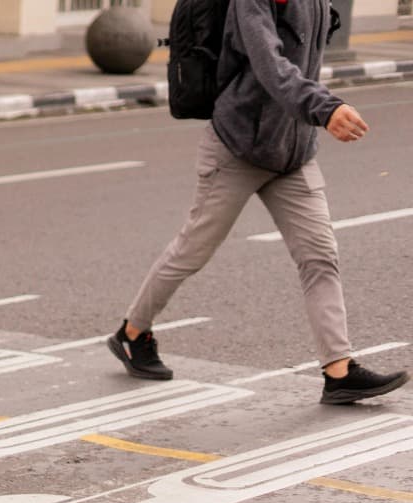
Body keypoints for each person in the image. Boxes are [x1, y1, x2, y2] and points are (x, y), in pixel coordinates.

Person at [108, 0, 408, 405]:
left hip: (292, 153)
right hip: (237, 148)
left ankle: (339, 371)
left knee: (320, 256)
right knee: (191, 250)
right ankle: (131, 334)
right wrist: (326, 108)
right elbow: (271, 67)